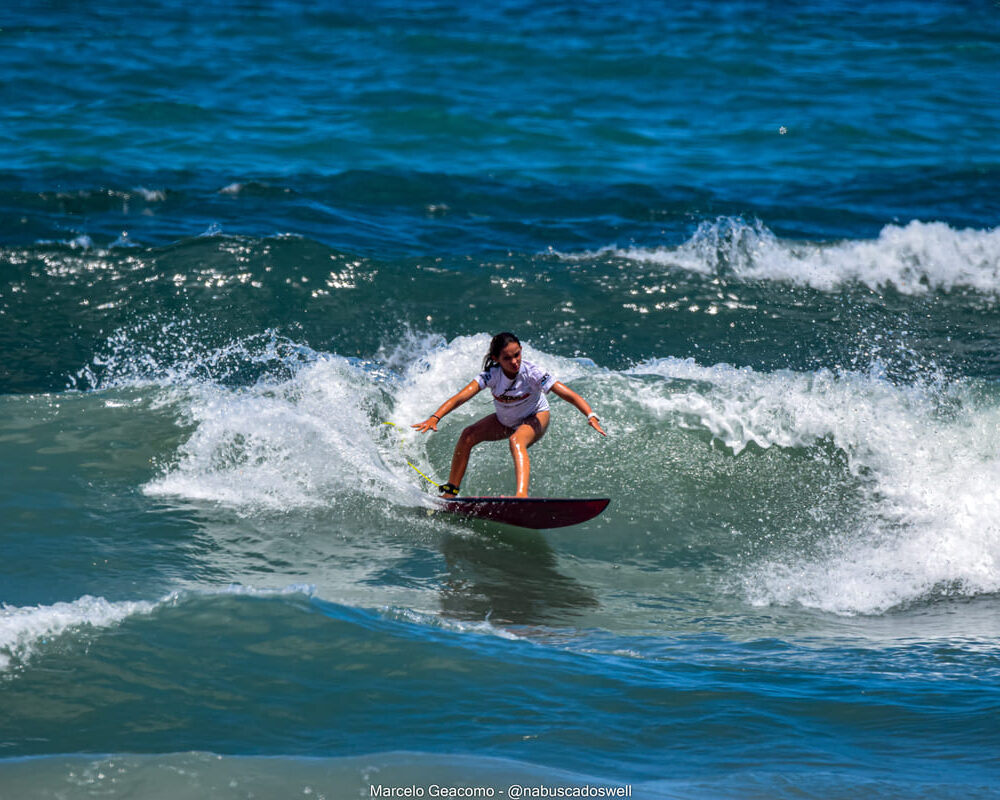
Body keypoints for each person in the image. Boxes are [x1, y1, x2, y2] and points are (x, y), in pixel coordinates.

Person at [412, 332, 606, 497]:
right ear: (496, 358)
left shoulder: (533, 372)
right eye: (507, 358)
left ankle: (521, 495)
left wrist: (590, 414)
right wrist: (435, 417)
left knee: (516, 440)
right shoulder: (491, 375)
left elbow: (568, 394)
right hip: (505, 420)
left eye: (517, 355)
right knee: (468, 435)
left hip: (535, 416)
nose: (514, 362)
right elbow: (460, 397)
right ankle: (451, 491)